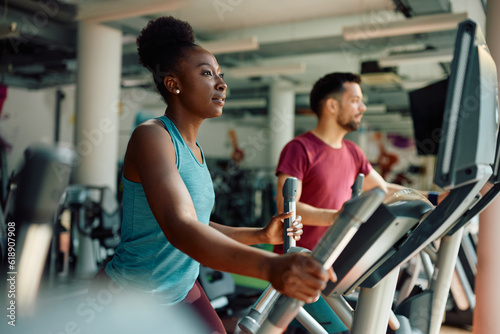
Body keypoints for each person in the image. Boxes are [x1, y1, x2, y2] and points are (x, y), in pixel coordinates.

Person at [91, 16, 333, 334]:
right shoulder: (152, 136)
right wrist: (270, 266)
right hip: (135, 294)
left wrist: (261, 235)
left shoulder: (196, 151)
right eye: (207, 73)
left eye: (220, 74)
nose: (221, 84)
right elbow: (181, 228)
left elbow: (199, 224)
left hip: (181, 288)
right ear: (173, 84)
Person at [275, 72, 442, 253]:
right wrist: (340, 218)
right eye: (355, 100)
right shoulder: (299, 148)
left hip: (335, 260)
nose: (362, 108)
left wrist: (435, 198)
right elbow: (287, 208)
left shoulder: (353, 152)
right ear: (332, 105)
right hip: (296, 260)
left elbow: (383, 190)